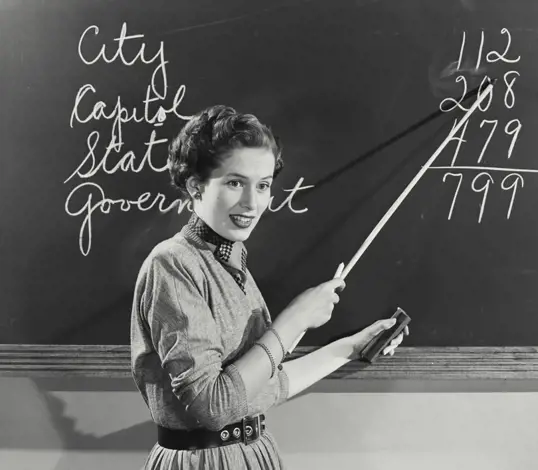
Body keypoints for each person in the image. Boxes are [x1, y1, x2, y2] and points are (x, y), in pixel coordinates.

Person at [130, 105, 407, 469]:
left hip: (255, 456)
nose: (251, 202)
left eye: (262, 186)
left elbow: (264, 386)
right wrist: (295, 319)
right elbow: (214, 406)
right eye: (234, 182)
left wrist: (351, 347)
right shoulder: (173, 264)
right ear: (195, 186)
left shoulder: (231, 263)